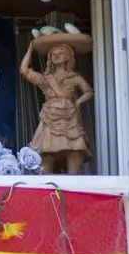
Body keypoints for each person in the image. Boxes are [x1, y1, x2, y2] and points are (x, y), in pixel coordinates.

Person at [20, 40, 94, 174]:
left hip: (69, 116)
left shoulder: (75, 77)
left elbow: (88, 91)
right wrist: (30, 49)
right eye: (53, 54)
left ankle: (74, 184)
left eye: (60, 53)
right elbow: (24, 70)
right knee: (46, 152)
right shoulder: (46, 78)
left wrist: (79, 101)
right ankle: (45, 187)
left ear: (68, 57)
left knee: (75, 149)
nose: (56, 56)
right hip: (50, 115)